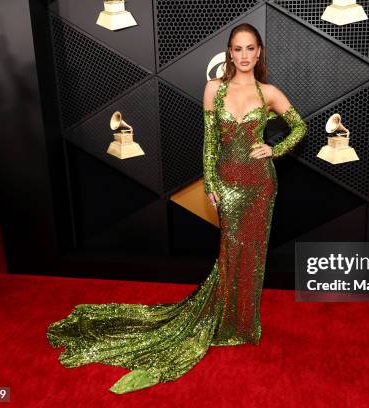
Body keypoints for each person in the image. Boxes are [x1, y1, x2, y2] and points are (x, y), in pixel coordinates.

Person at [46, 23, 307, 394]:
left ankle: (243, 325)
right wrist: (212, 186)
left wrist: (273, 149)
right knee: (231, 252)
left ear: (259, 52)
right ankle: (222, 320)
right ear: (229, 53)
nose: (244, 55)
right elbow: (208, 145)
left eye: (250, 48)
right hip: (229, 185)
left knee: (253, 255)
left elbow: (299, 127)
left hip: (260, 185)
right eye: (237, 49)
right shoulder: (213, 89)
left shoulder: (268, 93)